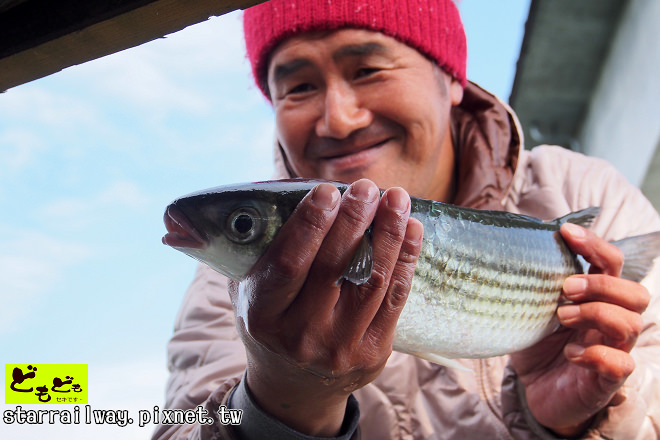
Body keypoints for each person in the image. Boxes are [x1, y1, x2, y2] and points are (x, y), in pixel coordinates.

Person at [153, 0, 660, 438]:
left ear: (451, 77)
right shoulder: (230, 283)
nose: (339, 119)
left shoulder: (580, 192)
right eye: (299, 87)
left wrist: (583, 422)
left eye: (367, 70)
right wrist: (282, 404)